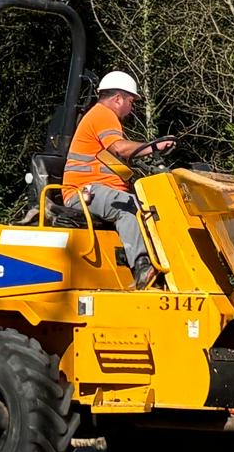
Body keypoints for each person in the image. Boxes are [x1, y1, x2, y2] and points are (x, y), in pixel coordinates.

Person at [62, 71, 175, 289]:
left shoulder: (102, 120)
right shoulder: (102, 115)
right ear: (118, 98)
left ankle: (159, 268)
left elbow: (116, 161)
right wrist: (154, 146)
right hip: (82, 192)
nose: (131, 108)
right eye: (131, 102)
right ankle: (143, 267)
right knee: (129, 207)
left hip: (96, 190)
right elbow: (121, 148)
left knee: (151, 206)